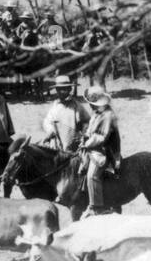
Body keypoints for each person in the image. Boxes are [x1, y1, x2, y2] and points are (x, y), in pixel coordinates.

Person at [79, 88, 121, 216]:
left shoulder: (108, 115)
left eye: (92, 103)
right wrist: (84, 137)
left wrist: (86, 144)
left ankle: (96, 207)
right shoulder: (97, 113)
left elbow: (101, 137)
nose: (90, 106)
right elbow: (91, 130)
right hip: (95, 147)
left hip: (105, 150)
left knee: (93, 175)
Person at [40, 75, 89, 150]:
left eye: (64, 89)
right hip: (57, 141)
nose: (62, 91)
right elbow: (47, 121)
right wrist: (51, 130)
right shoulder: (55, 106)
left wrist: (83, 133)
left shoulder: (76, 106)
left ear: (70, 89)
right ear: (56, 90)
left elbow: (87, 121)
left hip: (73, 143)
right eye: (59, 89)